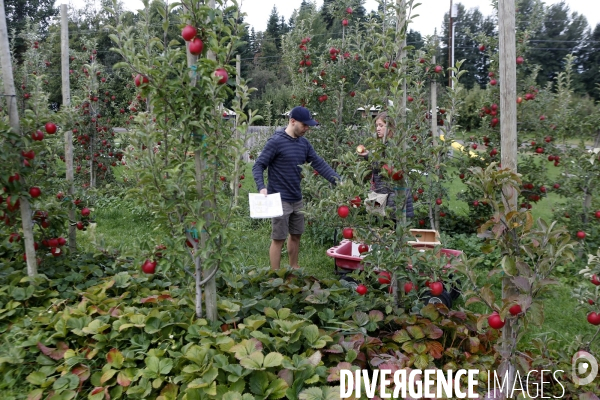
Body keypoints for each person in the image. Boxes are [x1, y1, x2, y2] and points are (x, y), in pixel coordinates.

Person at [252, 106, 341, 270]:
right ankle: (275, 275)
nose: (307, 129)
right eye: (304, 125)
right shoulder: (276, 142)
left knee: (296, 235)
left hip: (296, 198)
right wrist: (261, 187)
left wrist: (338, 181)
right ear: (292, 121)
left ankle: (294, 268)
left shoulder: (304, 144)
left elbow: (319, 164)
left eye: (308, 126)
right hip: (279, 199)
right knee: (278, 238)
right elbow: (258, 166)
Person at [359, 111, 414, 220]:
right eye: (376, 126)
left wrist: (368, 157)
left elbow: (388, 168)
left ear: (390, 127)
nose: (378, 129)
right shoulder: (381, 146)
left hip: (392, 196)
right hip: (383, 196)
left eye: (381, 125)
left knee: (392, 226)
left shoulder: (394, 147)